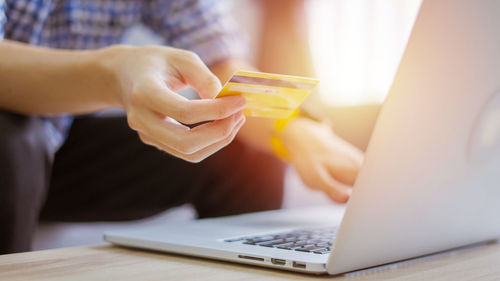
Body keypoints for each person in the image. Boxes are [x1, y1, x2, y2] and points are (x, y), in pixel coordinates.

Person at [0, 0, 363, 254]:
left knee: (244, 154)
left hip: (61, 144)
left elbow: (222, 59)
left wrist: (296, 126)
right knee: (12, 139)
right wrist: (115, 72)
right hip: (13, 145)